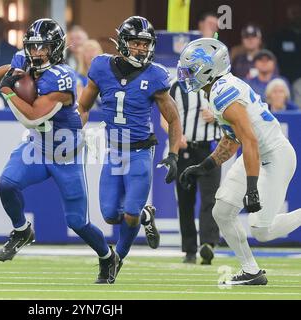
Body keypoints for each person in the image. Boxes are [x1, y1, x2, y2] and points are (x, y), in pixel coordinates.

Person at [0, 19, 121, 284]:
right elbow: (10, 68)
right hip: (38, 148)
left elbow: (32, 117)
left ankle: (106, 256)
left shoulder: (62, 78)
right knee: (6, 184)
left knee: (78, 223)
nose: (37, 52)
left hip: (67, 155)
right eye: (33, 47)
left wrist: (7, 91)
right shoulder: (25, 59)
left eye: (43, 47)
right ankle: (21, 230)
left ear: (56, 48)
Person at [178, 37, 301, 285]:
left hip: (274, 156)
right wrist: (204, 167)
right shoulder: (219, 89)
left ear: (208, 68)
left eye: (192, 69)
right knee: (222, 211)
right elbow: (232, 139)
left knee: (261, 230)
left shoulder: (223, 92)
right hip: (256, 153)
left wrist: (252, 188)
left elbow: (250, 140)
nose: (187, 75)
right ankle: (251, 271)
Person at [78, 16, 182, 270]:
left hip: (140, 152)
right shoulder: (101, 67)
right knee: (110, 215)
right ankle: (147, 215)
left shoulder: (155, 75)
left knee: (130, 213)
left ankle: (117, 260)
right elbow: (82, 106)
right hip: (113, 151)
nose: (141, 49)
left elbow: (174, 117)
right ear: (123, 43)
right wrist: (73, 135)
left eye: (145, 44)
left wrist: (174, 153)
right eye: (136, 43)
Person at [167, 81, 221, 264]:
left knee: (210, 199)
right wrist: (176, 136)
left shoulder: (219, 86)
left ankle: (208, 245)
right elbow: (164, 117)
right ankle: (189, 249)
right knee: (185, 199)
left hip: (210, 149)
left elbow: (233, 113)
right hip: (185, 149)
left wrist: (217, 116)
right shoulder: (177, 87)